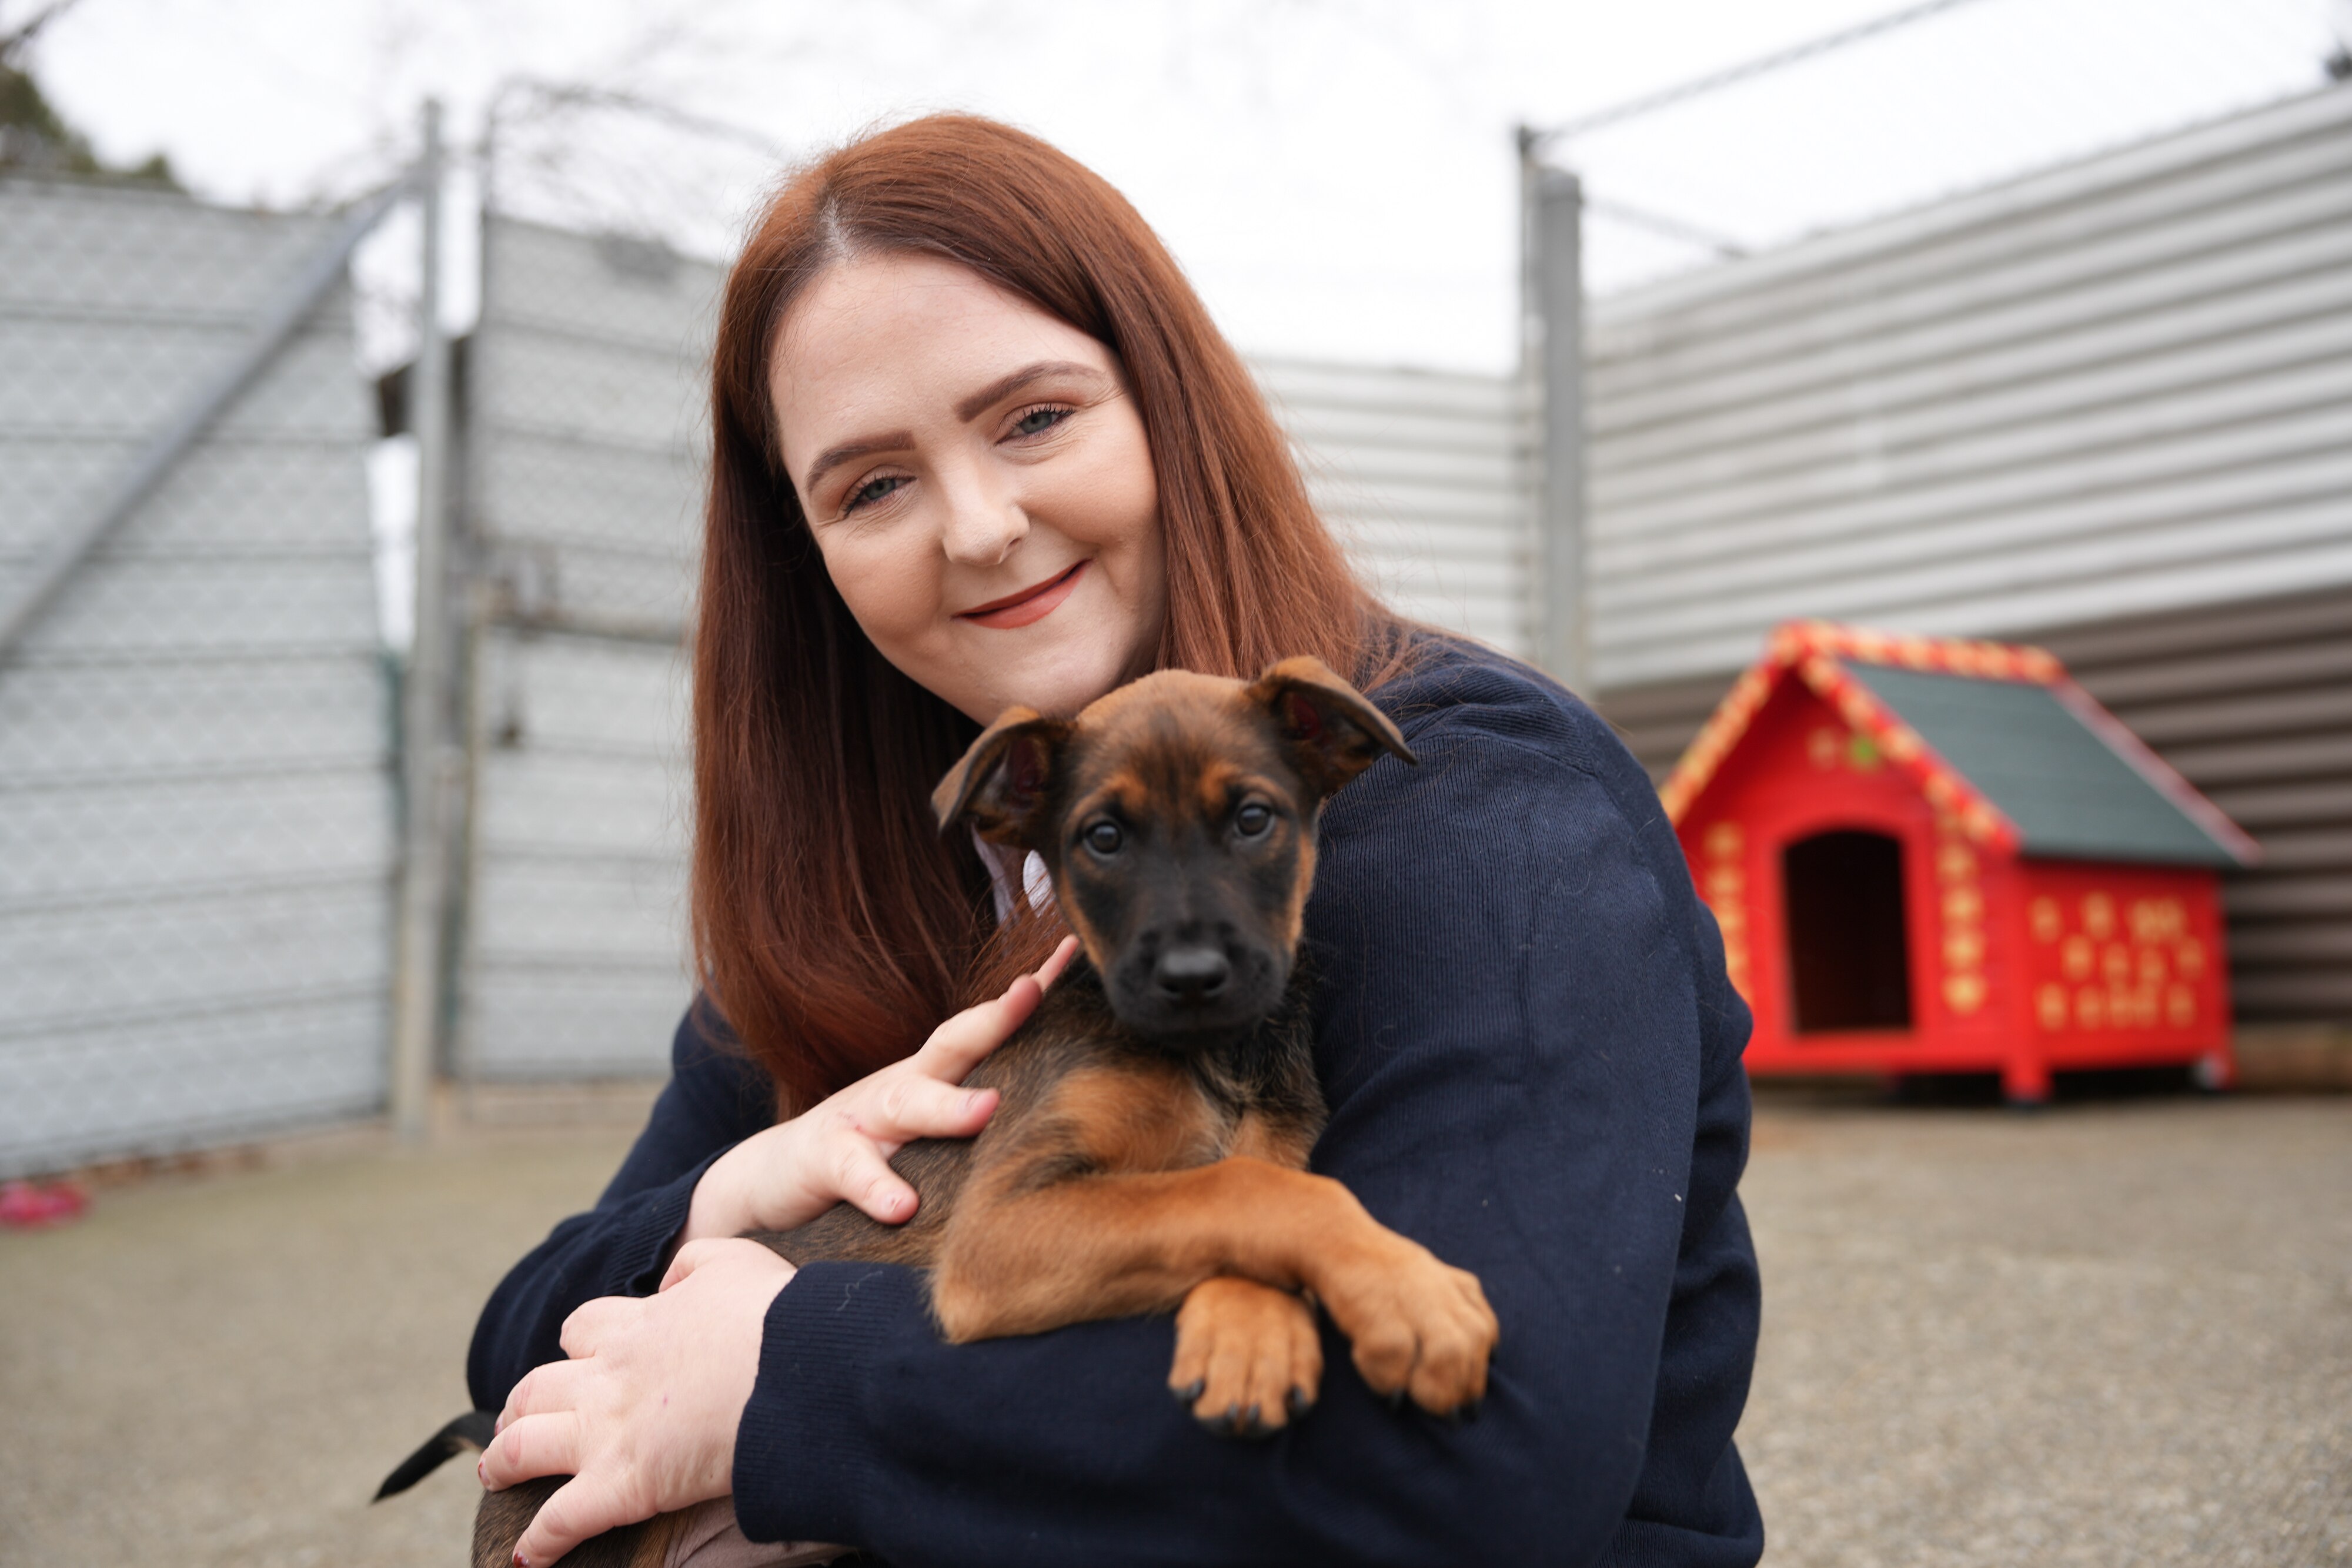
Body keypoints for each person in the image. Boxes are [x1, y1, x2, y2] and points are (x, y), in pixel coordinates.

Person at [467, 114, 1762, 1568]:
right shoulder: (862, 882)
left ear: (1167, 404)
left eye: (1032, 417)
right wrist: (738, 1187)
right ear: (807, 552)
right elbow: (517, 1348)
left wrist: (784, 1375)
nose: (978, 524)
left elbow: (1483, 1460)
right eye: (871, 484)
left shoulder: (1477, 812)